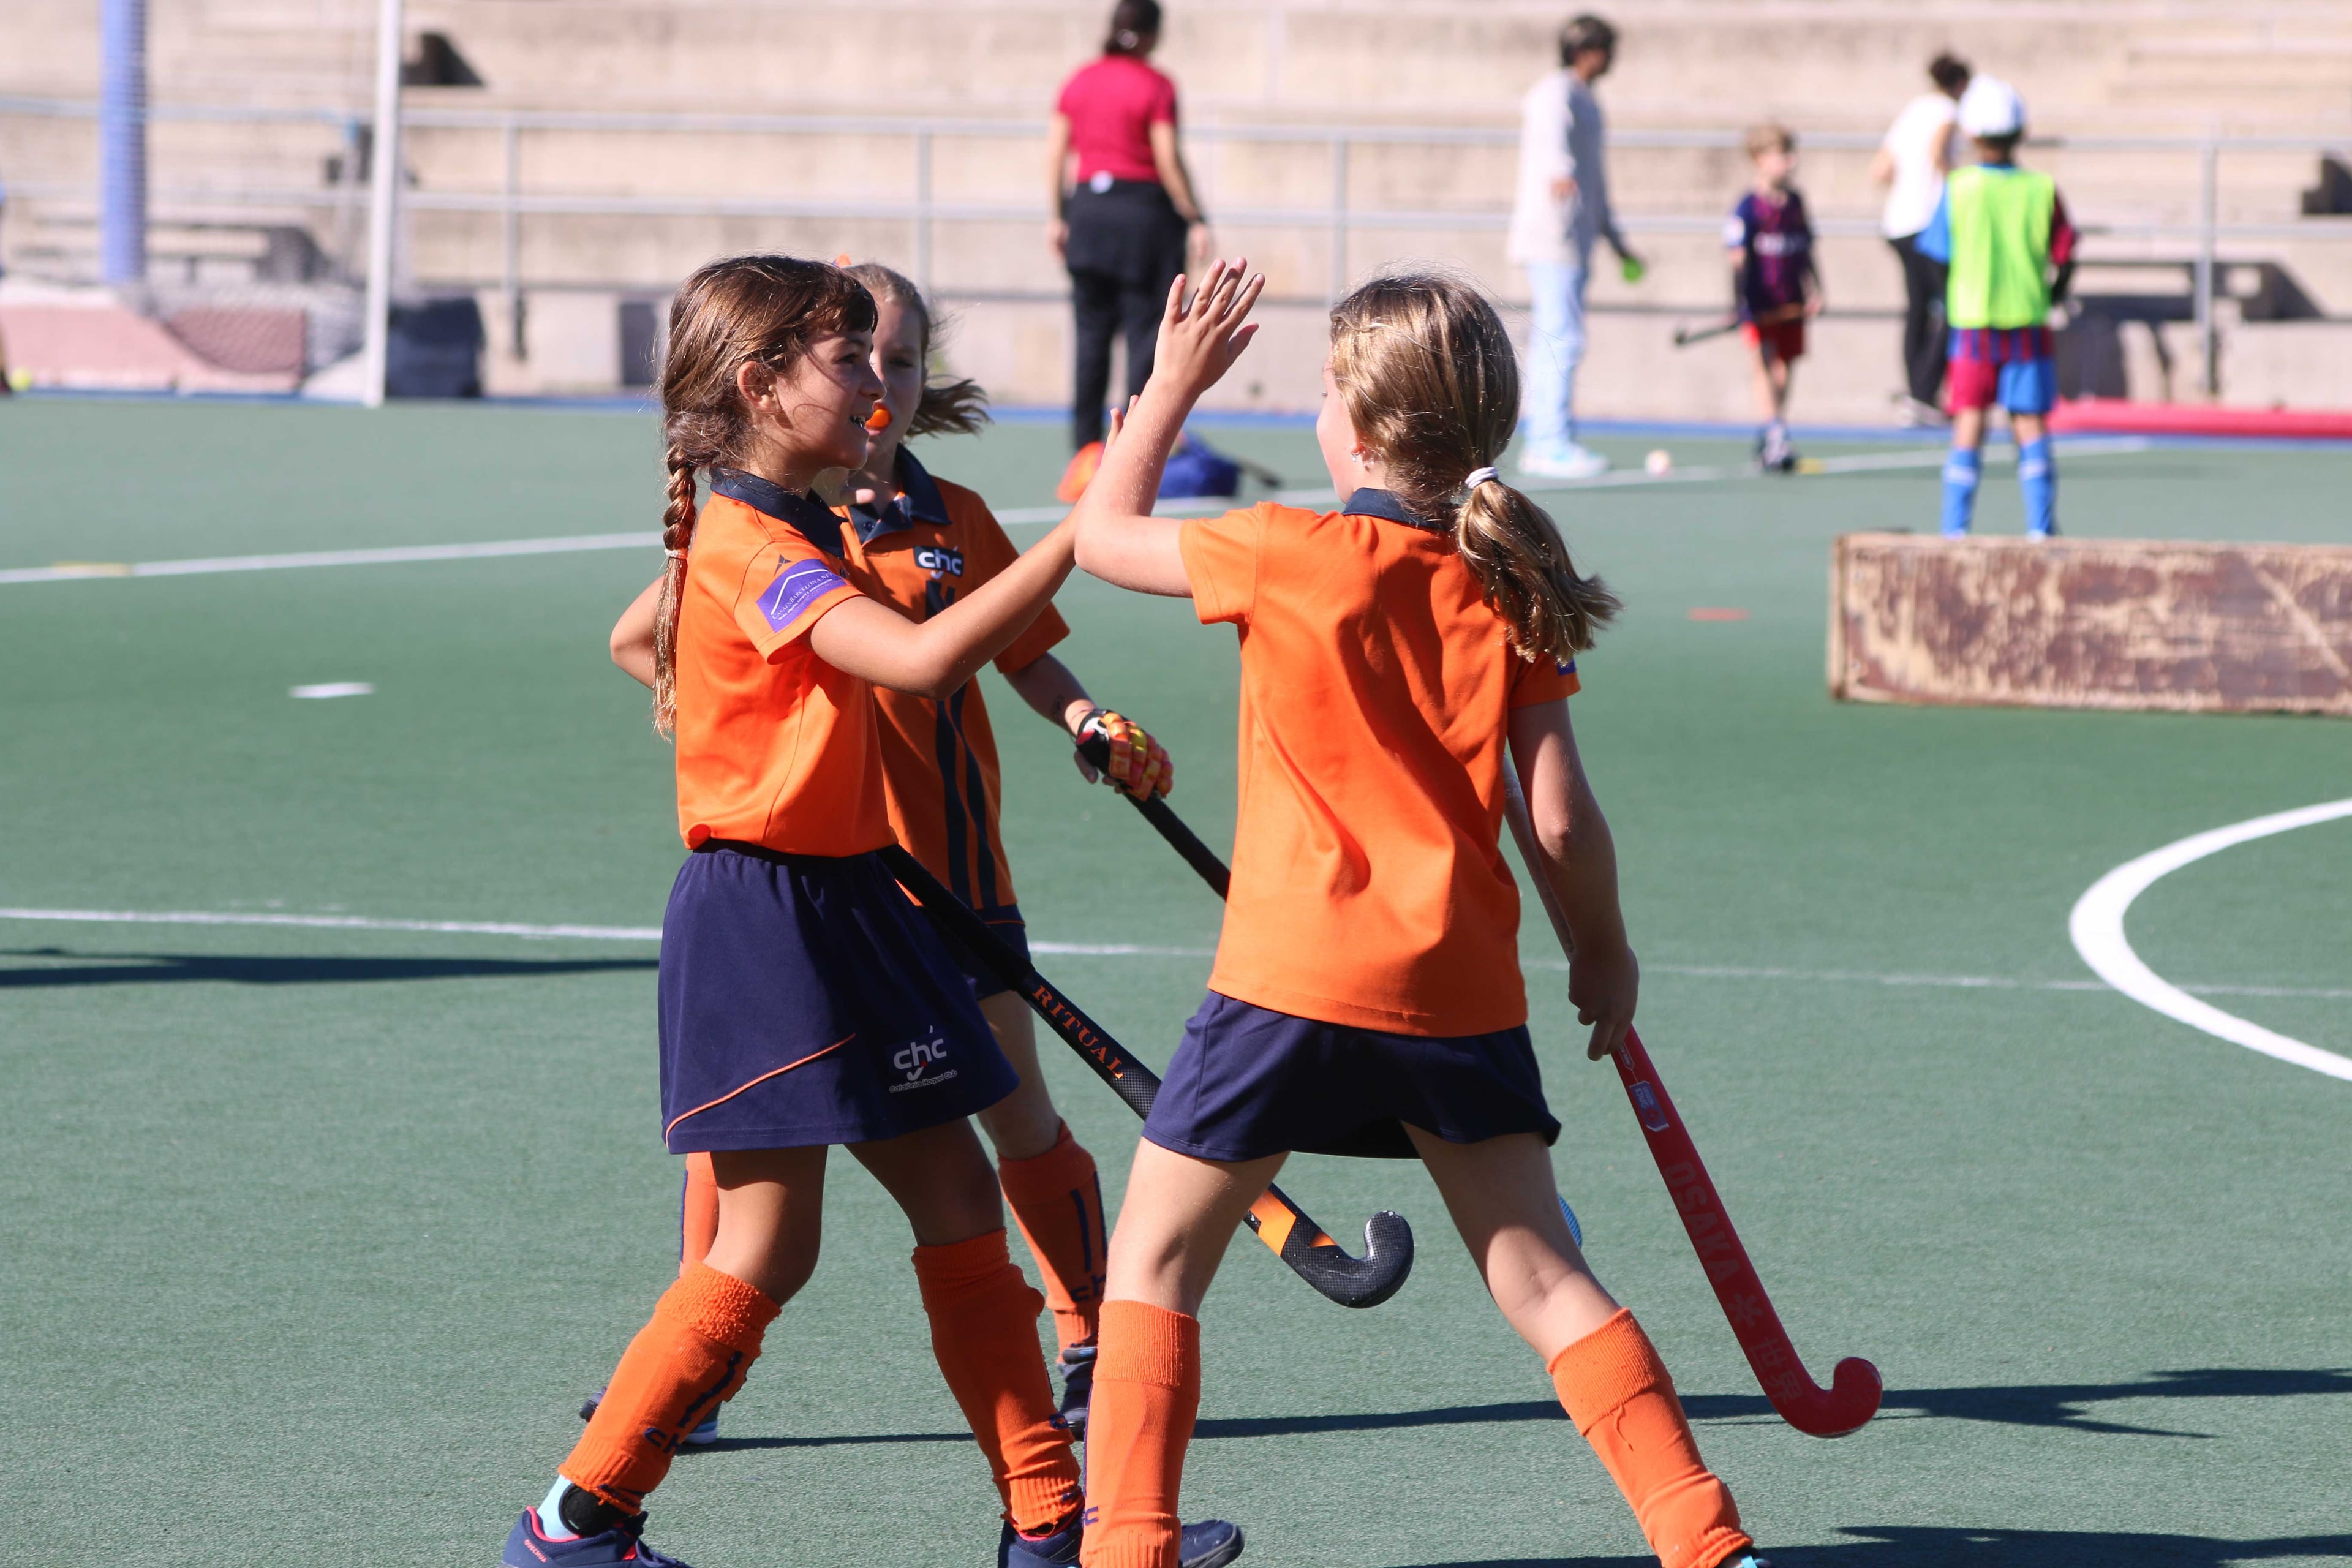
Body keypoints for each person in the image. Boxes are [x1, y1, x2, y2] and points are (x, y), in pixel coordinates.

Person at [505, 253, 1235, 1568]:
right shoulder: (746, 541)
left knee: (961, 1192)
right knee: (769, 1245)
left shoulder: (812, 519)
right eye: (848, 358)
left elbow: (969, 650)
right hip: (770, 916)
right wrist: (1091, 511)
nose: (874, 383)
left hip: (856, 901)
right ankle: (579, 1517)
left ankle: (1049, 1522)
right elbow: (919, 656)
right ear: (761, 385)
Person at [1065, 262, 1768, 1568]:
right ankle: (1707, 1540)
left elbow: (1103, 534)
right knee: (1545, 1272)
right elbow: (1558, 817)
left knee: (1152, 1264)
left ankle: (1129, 1550)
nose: (1318, 412)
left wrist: (1168, 384)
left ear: (1366, 423)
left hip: (1288, 978)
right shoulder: (1505, 581)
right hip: (1459, 990)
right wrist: (1605, 955)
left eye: (1330, 389)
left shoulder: (1284, 546)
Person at [1049, 0, 1212, 497]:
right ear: (1151, 35)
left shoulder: (1080, 80)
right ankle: (1133, 451)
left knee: (1090, 340)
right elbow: (1166, 156)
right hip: (1144, 218)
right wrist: (1195, 215)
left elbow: (1058, 154)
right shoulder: (1156, 85)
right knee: (1145, 337)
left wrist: (1059, 215)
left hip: (1089, 217)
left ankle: (1085, 455)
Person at [1915, 77, 2076, 540]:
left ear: (1972, 134)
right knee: (2030, 426)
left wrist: (1950, 298)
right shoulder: (2042, 189)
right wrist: (2054, 293)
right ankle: (2040, 529)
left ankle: (1954, 531)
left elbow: (1936, 255)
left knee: (1968, 424)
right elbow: (2066, 253)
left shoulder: (1959, 187)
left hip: (1972, 327)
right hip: (2027, 325)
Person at [1509, 13, 1643, 481]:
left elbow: (1595, 184)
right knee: (1559, 338)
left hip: (1576, 242)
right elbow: (1556, 157)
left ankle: (1549, 438)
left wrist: (1617, 243)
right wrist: (1561, 176)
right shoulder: (1555, 93)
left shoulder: (1587, 101)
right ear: (1589, 52)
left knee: (1560, 335)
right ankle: (1548, 442)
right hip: (1553, 239)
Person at [1872, 52, 1971, 424]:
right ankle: (1924, 393)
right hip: (1927, 223)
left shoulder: (1913, 109)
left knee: (1918, 307)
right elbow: (1936, 154)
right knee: (1951, 307)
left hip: (1897, 222)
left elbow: (1881, 169)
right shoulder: (1948, 110)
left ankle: (1916, 391)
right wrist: (1958, 185)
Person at [1724, 123, 1822, 473]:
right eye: (1782, 155)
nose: (1791, 161)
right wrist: (1740, 304)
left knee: (1784, 369)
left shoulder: (1795, 203)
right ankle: (1777, 433)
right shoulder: (1747, 209)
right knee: (1763, 366)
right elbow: (1737, 259)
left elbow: (1807, 248)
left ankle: (1771, 430)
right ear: (1760, 159)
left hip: (1790, 303)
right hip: (1760, 305)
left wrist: (1817, 289)